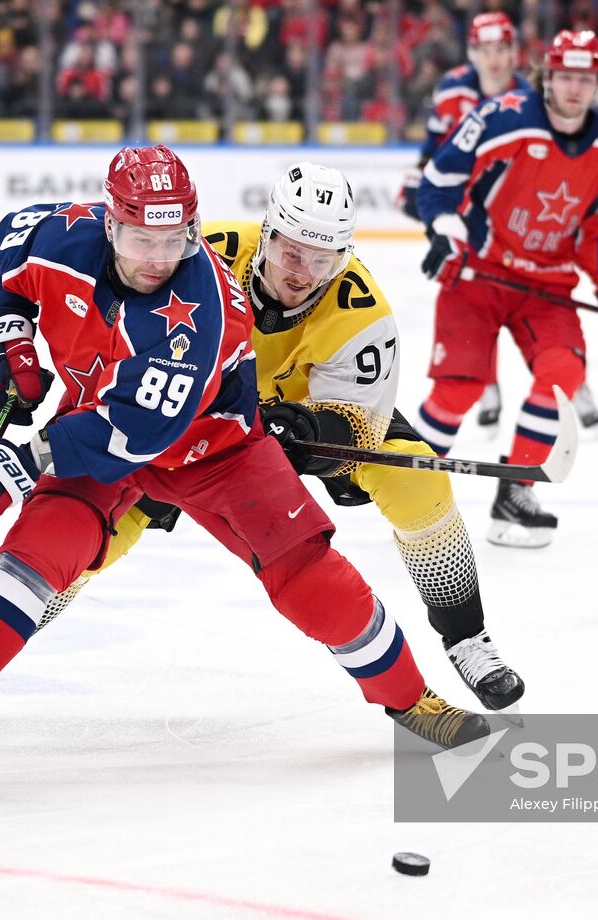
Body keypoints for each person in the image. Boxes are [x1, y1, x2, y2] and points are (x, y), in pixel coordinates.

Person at [0, 146, 489, 789]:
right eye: (141, 237)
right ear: (108, 223)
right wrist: (5, 328)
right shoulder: (59, 236)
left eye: (175, 239)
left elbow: (135, 433)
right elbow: (6, 253)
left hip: (214, 446)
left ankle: (411, 700)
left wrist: (6, 467)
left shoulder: (201, 310)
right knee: (46, 545)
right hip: (105, 422)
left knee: (307, 573)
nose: (159, 258)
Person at [40, 162, 524, 712]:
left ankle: (466, 636)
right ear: (266, 232)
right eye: (292, 250)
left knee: (420, 484)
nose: (302, 271)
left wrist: (309, 429)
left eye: (323, 258)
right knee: (91, 531)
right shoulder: (205, 254)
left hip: (301, 422)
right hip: (189, 425)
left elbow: (360, 423)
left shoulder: (363, 313)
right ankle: (8, 628)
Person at [414, 30, 598, 549]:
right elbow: (437, 181)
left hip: (546, 286)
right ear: (548, 75)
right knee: (458, 391)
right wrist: (446, 231)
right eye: (565, 76)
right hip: (478, 273)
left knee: (563, 373)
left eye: (584, 78)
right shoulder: (502, 117)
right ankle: (411, 489)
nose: (573, 88)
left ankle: (515, 491)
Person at [401, 12, 598, 434]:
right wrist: (423, 192)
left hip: (504, 212)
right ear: (472, 52)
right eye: (485, 50)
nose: (494, 60)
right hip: (461, 205)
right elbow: (434, 150)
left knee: (515, 292)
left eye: (502, 50)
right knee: (474, 292)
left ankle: (565, 377)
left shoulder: (530, 98)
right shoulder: (452, 90)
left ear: (514, 53)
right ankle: (482, 382)